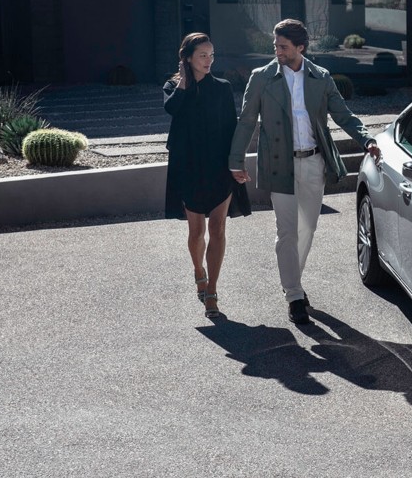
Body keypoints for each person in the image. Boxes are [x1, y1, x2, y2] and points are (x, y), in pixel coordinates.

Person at [228, 19, 380, 327]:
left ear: (300, 48)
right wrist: (236, 160)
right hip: (277, 162)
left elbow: (343, 115)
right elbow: (245, 121)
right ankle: (295, 295)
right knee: (287, 231)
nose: (277, 51)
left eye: (283, 46)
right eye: (275, 46)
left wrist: (367, 139)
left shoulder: (320, 78)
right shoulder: (261, 78)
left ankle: (290, 280)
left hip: (313, 162)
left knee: (307, 229)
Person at [163, 32, 252, 319]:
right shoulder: (173, 86)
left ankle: (212, 290)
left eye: (211, 55)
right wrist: (185, 82)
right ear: (188, 57)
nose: (208, 60)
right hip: (188, 166)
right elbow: (172, 108)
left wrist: (236, 163)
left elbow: (232, 127)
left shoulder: (223, 88)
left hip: (218, 167)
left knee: (218, 229)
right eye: (202, 55)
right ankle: (198, 271)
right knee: (196, 231)